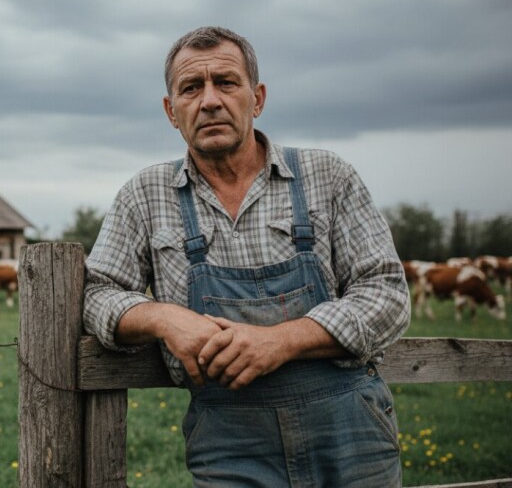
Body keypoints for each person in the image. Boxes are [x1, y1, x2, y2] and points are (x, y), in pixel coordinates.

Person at [83, 26, 410, 487]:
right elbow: (96, 293)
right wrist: (163, 318)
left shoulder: (328, 176)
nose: (210, 100)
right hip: (229, 444)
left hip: (350, 437)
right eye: (191, 88)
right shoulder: (145, 195)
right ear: (170, 111)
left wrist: (280, 341)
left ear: (257, 99)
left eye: (226, 82)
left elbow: (387, 296)